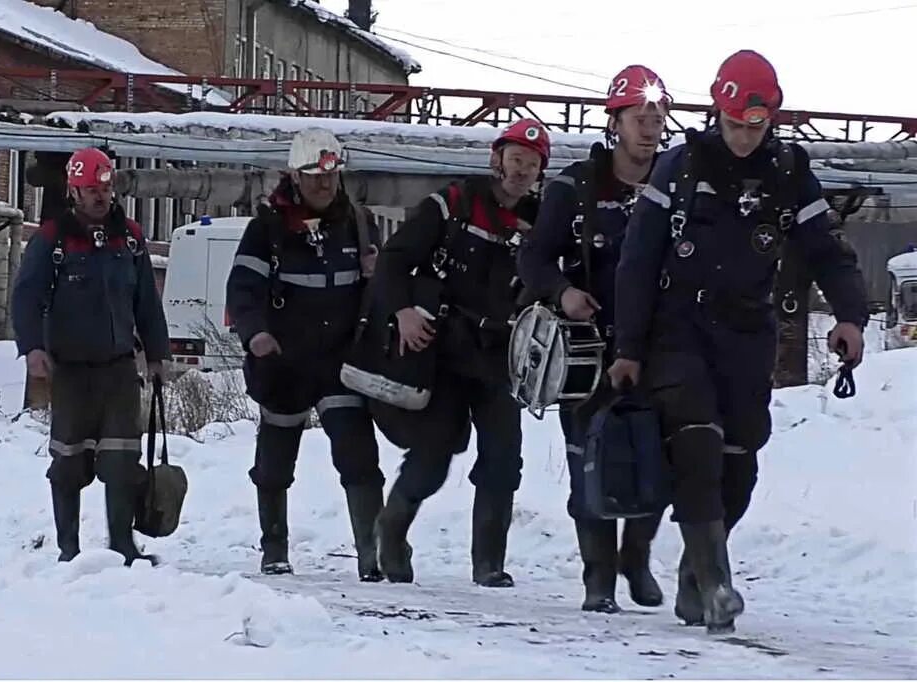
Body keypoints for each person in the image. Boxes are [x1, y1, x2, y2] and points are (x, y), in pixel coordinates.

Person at [609, 50, 868, 633]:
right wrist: (627, 347)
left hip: (748, 335)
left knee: (738, 466)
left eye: (757, 126)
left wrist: (850, 315)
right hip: (679, 329)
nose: (745, 137)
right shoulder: (678, 167)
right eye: (734, 125)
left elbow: (826, 250)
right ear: (716, 113)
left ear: (771, 118)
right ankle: (719, 585)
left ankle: (692, 575)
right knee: (698, 444)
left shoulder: (790, 173)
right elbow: (637, 261)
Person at [517, 65, 673, 613]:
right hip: (587, 350)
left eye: (657, 116)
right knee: (590, 460)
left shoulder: (676, 181)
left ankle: (636, 556)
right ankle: (598, 578)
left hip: (659, 346)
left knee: (661, 459)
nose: (650, 126)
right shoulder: (576, 186)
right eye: (639, 116)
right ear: (616, 121)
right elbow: (532, 256)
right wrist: (562, 293)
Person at [370, 118, 550, 587]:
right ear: (496, 161)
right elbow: (393, 260)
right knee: (434, 452)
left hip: (500, 357)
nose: (522, 171)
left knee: (504, 456)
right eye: (515, 161)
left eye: (532, 165)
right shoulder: (452, 204)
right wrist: (404, 311)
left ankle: (489, 562)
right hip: (442, 350)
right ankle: (391, 530)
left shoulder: (539, 225)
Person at [226, 127, 385, 581]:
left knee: (358, 458)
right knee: (274, 464)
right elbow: (242, 290)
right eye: (314, 176)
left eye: (330, 177)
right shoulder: (266, 230)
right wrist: (255, 335)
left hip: (340, 362)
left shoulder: (357, 222)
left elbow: (381, 287)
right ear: (294, 177)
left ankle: (372, 554)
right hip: (284, 363)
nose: (323, 185)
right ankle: (274, 548)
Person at [11, 146, 171, 566]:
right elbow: (26, 297)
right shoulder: (52, 239)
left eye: (104, 187)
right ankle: (70, 549)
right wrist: (32, 348)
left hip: (118, 368)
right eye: (90, 190)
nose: (100, 196)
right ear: (73, 191)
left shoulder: (130, 237)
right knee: (68, 463)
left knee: (122, 459)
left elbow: (145, 302)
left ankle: (122, 546)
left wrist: (158, 354)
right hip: (70, 370)